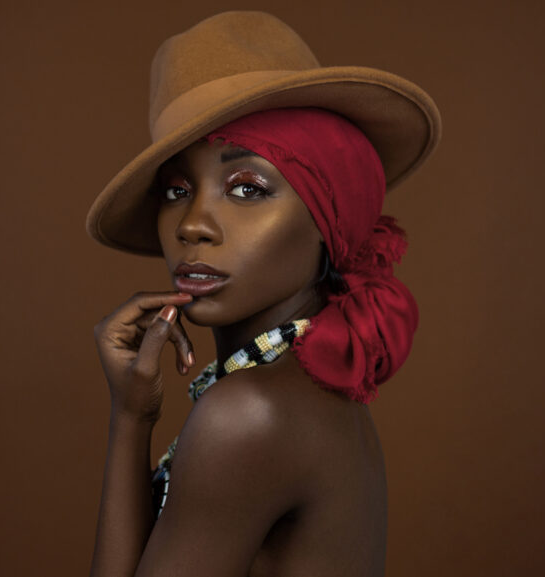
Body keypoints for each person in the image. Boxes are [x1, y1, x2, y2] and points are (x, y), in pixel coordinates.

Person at [85, 11, 441, 577]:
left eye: (246, 188)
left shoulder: (252, 414)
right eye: (177, 188)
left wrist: (128, 426)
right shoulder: (306, 392)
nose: (192, 225)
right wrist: (132, 417)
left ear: (330, 217)